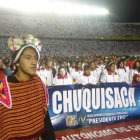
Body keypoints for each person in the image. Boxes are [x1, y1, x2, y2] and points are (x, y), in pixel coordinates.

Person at [0, 35, 55, 140]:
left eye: (35, 58)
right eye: (28, 58)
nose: (34, 62)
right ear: (17, 62)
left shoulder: (38, 83)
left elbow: (45, 118)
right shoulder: (4, 88)